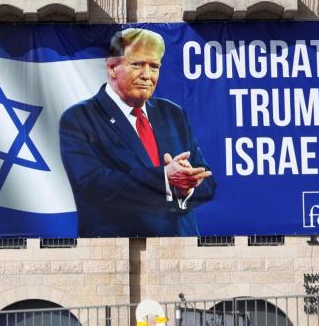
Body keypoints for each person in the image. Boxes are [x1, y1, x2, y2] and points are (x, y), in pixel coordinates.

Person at [59, 28, 215, 238]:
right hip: (121, 252)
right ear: (112, 67)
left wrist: (185, 187)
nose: (147, 75)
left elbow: (207, 182)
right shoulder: (79, 118)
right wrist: (165, 178)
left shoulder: (173, 113)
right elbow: (93, 185)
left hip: (182, 252)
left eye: (154, 66)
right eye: (138, 65)